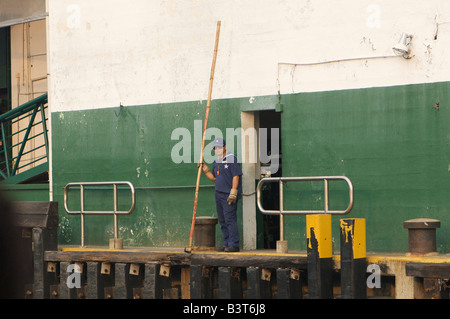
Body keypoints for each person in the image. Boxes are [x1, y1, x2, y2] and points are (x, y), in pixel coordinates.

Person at [200, 138, 242, 252]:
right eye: (215, 147)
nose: (217, 149)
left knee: (230, 219)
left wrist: (233, 191)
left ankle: (234, 244)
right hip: (218, 194)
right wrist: (204, 169)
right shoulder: (216, 162)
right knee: (222, 220)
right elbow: (215, 178)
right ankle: (227, 243)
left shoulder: (231, 159)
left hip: (228, 194)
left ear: (225, 147)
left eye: (219, 146)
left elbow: (236, 176)